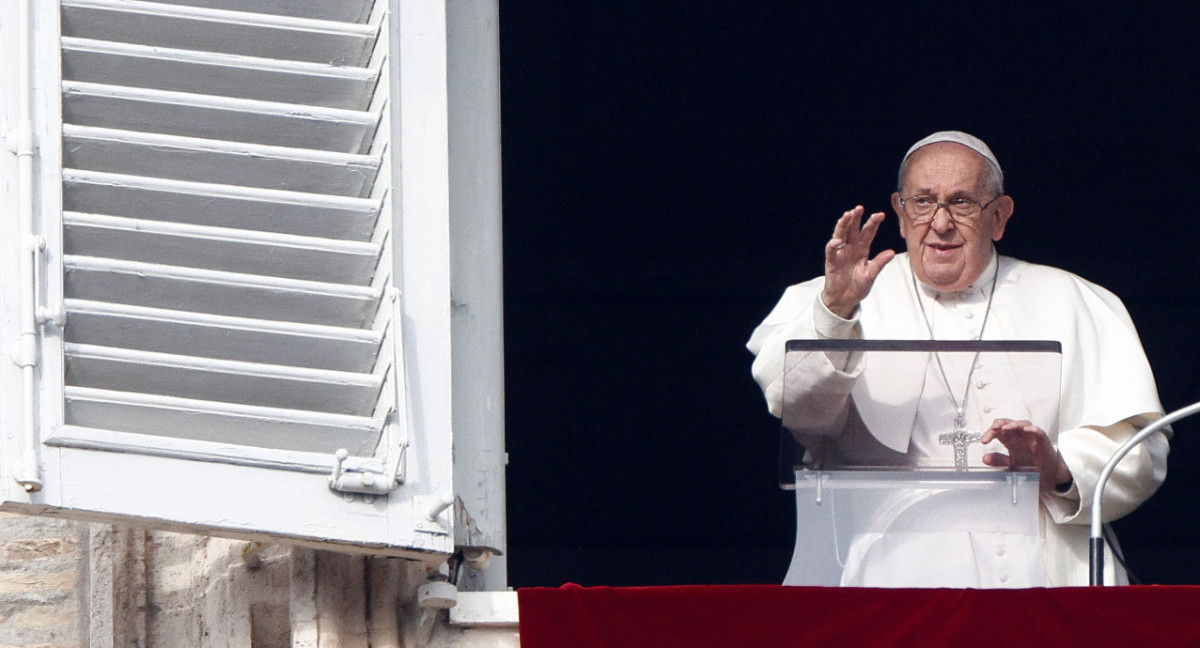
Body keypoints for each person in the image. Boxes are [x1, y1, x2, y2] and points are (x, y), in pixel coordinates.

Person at [746, 130, 1169, 587]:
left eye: (962, 202)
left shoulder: (1073, 299)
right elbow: (794, 404)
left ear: (1000, 216)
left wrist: (1061, 467)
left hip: (1047, 569)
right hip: (890, 572)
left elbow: (1139, 447)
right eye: (923, 202)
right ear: (902, 214)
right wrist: (836, 312)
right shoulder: (834, 298)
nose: (941, 223)